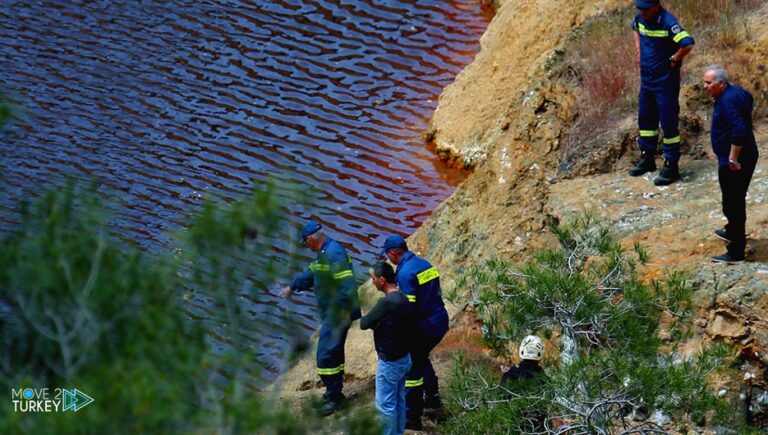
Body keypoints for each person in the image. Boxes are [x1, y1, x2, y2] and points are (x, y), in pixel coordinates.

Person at [281, 221, 361, 415]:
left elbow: (348, 285)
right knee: (333, 353)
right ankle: (334, 392)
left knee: (325, 356)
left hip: (337, 315)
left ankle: (335, 398)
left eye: (305, 243)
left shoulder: (334, 254)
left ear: (310, 239)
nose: (306, 246)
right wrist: (292, 286)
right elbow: (311, 273)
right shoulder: (324, 253)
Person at [380, 234, 449, 430]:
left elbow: (407, 308)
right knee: (421, 356)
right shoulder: (424, 264)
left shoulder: (405, 274)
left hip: (425, 325)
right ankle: (433, 397)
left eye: (388, 255)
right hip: (439, 319)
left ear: (394, 253)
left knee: (413, 369)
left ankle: (413, 417)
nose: (388, 259)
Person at [628, 0, 695, 186]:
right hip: (647, 82)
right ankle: (647, 158)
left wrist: (674, 59)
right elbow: (635, 27)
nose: (642, 12)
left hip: (665, 83)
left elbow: (688, 44)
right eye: (640, 8)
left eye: (645, 8)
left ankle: (671, 165)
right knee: (646, 121)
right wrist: (638, 50)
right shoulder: (640, 18)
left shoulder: (667, 21)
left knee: (668, 124)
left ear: (656, 6)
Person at [702, 65, 759, 263]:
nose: (705, 87)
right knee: (732, 200)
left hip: (736, 161)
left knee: (733, 203)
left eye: (708, 83)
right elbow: (748, 103)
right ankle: (732, 231)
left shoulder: (726, 102)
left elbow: (739, 131)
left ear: (721, 83)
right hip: (748, 155)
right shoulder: (737, 93)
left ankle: (736, 251)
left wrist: (733, 158)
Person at [361, 262, 417, 435]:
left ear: (382, 280)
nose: (372, 282)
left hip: (390, 362)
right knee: (399, 401)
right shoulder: (403, 297)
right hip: (404, 358)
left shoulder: (387, 303)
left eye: (374, 279)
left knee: (385, 406)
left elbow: (364, 323)